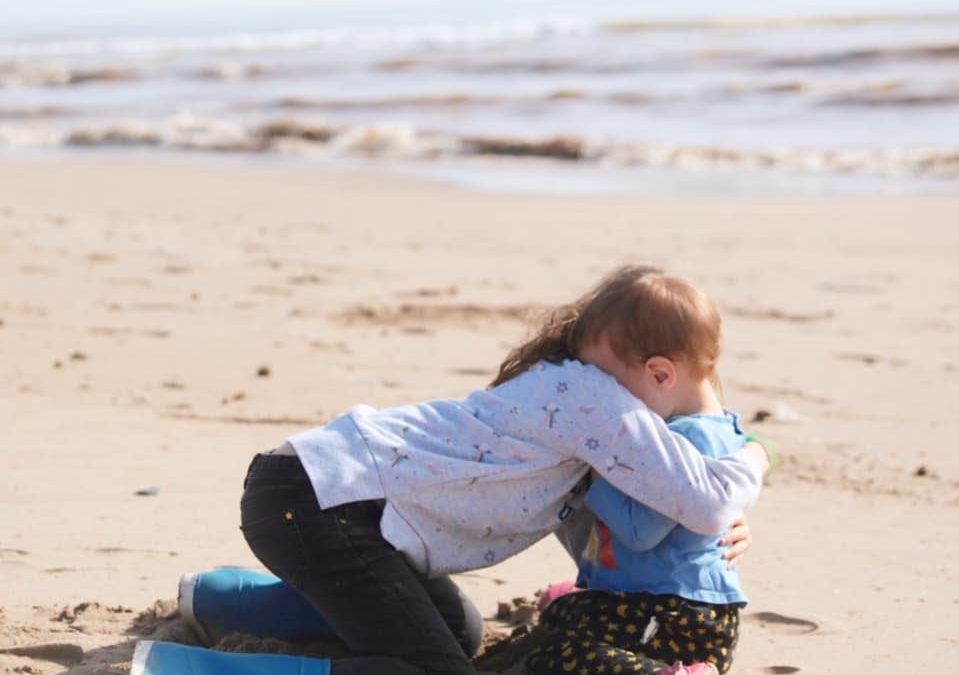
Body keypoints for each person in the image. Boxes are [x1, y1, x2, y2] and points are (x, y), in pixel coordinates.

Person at [135, 265, 773, 675]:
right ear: (655, 370)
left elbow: (640, 518)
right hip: (325, 505)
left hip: (310, 490)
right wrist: (757, 456)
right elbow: (709, 500)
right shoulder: (602, 400)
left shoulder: (576, 390)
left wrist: (710, 521)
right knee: (431, 670)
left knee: (460, 630)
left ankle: (215, 598)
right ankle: (190, 669)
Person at [526, 279, 761, 675]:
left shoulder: (687, 442)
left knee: (559, 655)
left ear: (660, 375)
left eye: (611, 386)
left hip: (678, 617)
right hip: (657, 605)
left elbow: (640, 532)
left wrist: (594, 470)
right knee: (559, 618)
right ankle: (586, 608)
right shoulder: (722, 428)